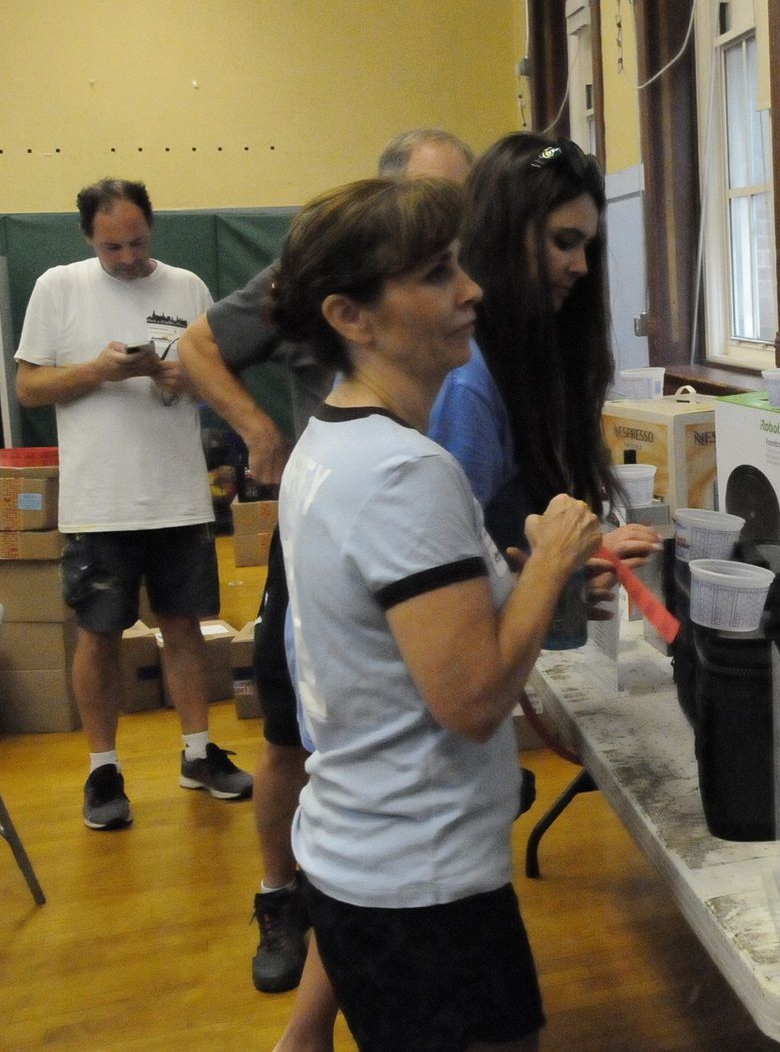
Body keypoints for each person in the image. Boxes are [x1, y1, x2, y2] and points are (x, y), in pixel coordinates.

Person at [267, 175, 601, 1052]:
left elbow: (401, 629)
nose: (471, 292)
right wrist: (554, 560)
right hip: (422, 883)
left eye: (460, 266)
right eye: (436, 275)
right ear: (352, 315)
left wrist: (516, 576)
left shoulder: (333, 443)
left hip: (361, 857)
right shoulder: (404, 473)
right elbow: (472, 699)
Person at [178, 128, 472, 1004]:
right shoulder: (313, 284)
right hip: (339, 535)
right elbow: (197, 346)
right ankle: (281, 898)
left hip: (428, 530)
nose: (455, 257)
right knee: (295, 736)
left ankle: (325, 991)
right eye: (429, 220)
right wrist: (259, 430)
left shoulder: (465, 292)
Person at [14, 178, 253, 831]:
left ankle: (199, 753)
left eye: (138, 241)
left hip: (178, 497)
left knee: (184, 628)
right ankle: (102, 769)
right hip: (99, 503)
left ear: (154, 227)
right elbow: (30, 387)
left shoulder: (188, 288)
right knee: (98, 636)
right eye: (112, 245)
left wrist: (184, 377)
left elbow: (216, 381)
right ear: (87, 237)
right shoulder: (58, 288)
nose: (126, 257)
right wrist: (98, 370)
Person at [428, 132, 659, 611]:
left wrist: (570, 571)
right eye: (563, 242)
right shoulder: (468, 381)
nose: (580, 267)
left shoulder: (530, 355)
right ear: (503, 238)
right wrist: (558, 576)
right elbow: (446, 582)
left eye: (587, 248)